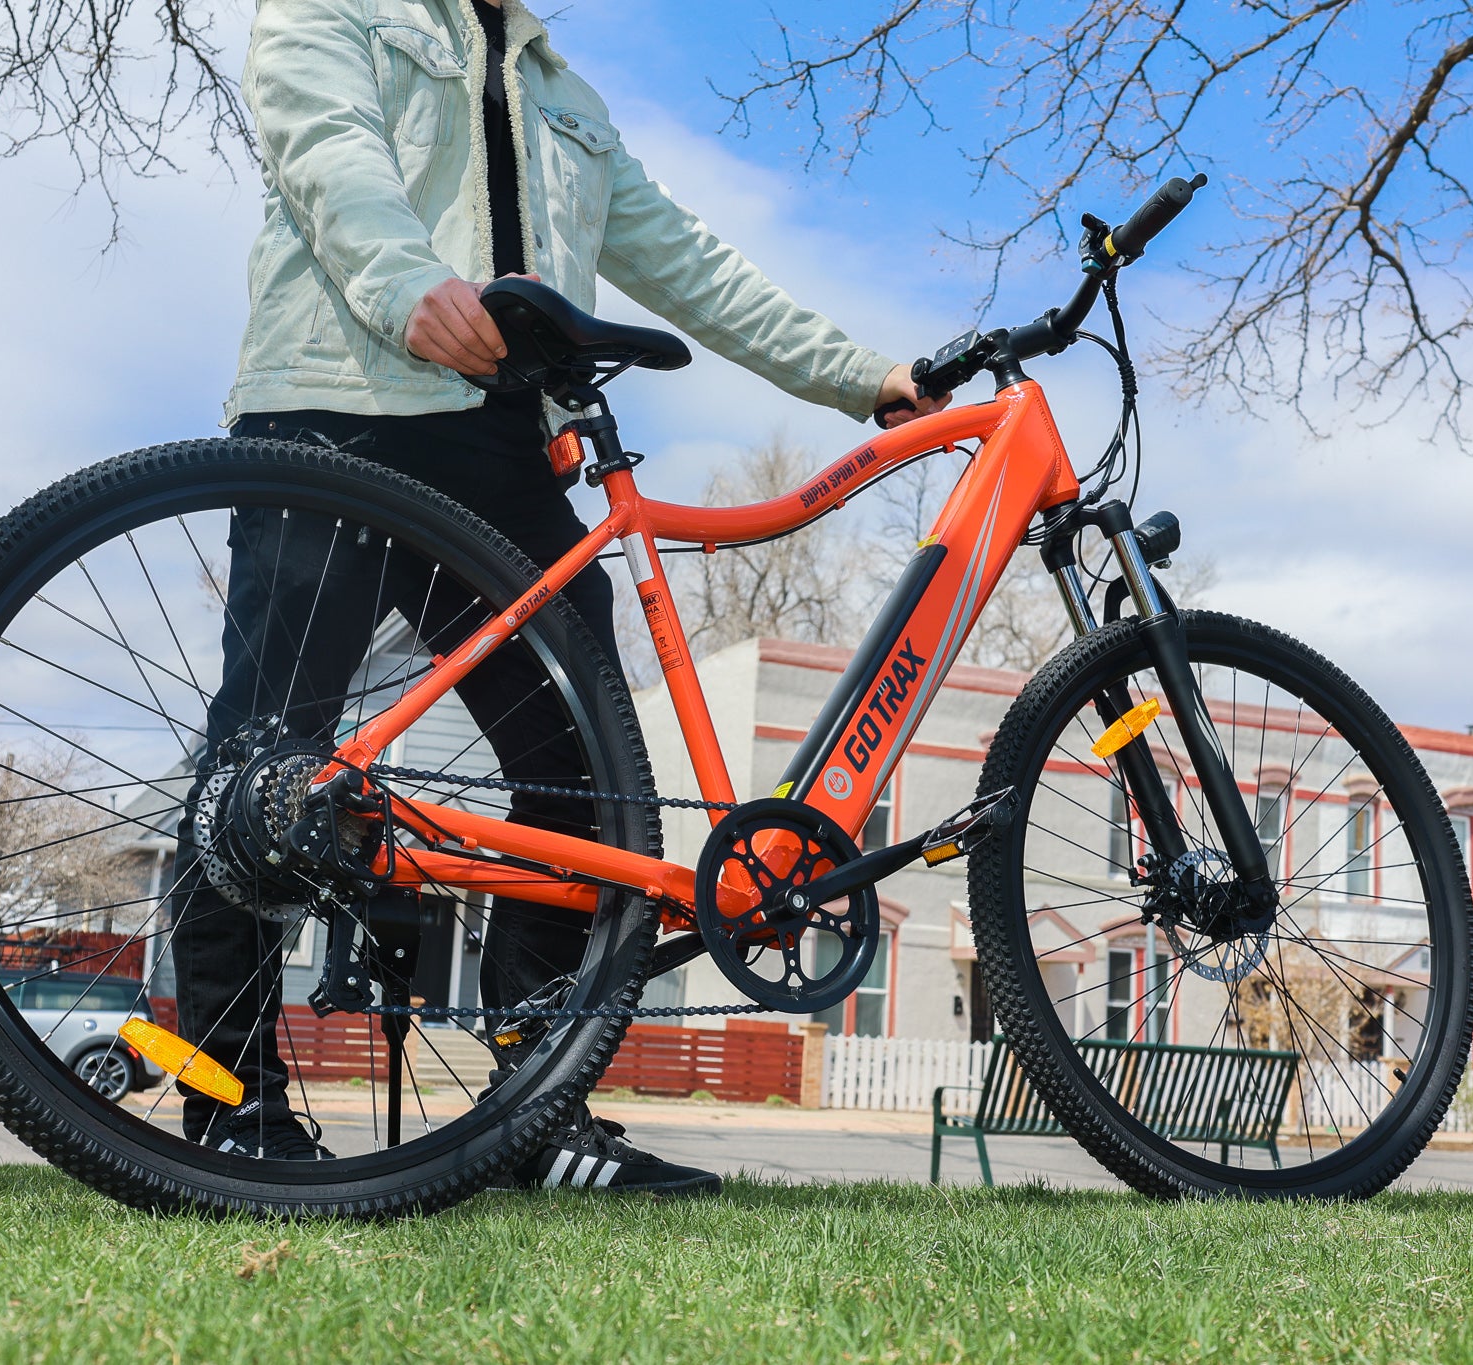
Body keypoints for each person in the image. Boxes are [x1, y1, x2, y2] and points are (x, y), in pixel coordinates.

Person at [170, 0, 947, 1190]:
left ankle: (535, 1110)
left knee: (580, 780)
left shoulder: (561, 93)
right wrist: (405, 281)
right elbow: (323, 144)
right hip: (339, 397)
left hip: (501, 447)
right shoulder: (332, 6)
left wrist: (858, 376)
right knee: (263, 765)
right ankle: (228, 1102)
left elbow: (690, 261)